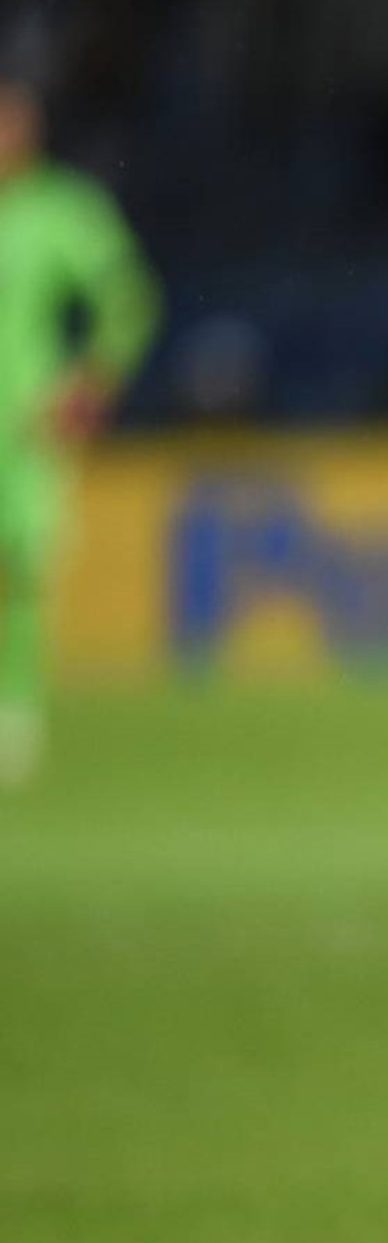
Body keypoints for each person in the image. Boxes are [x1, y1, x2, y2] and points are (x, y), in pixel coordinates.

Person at [0, 73, 160, 788]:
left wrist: (91, 383)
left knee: (24, 568)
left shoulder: (62, 211)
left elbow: (129, 300)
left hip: (23, 425)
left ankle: (14, 715)